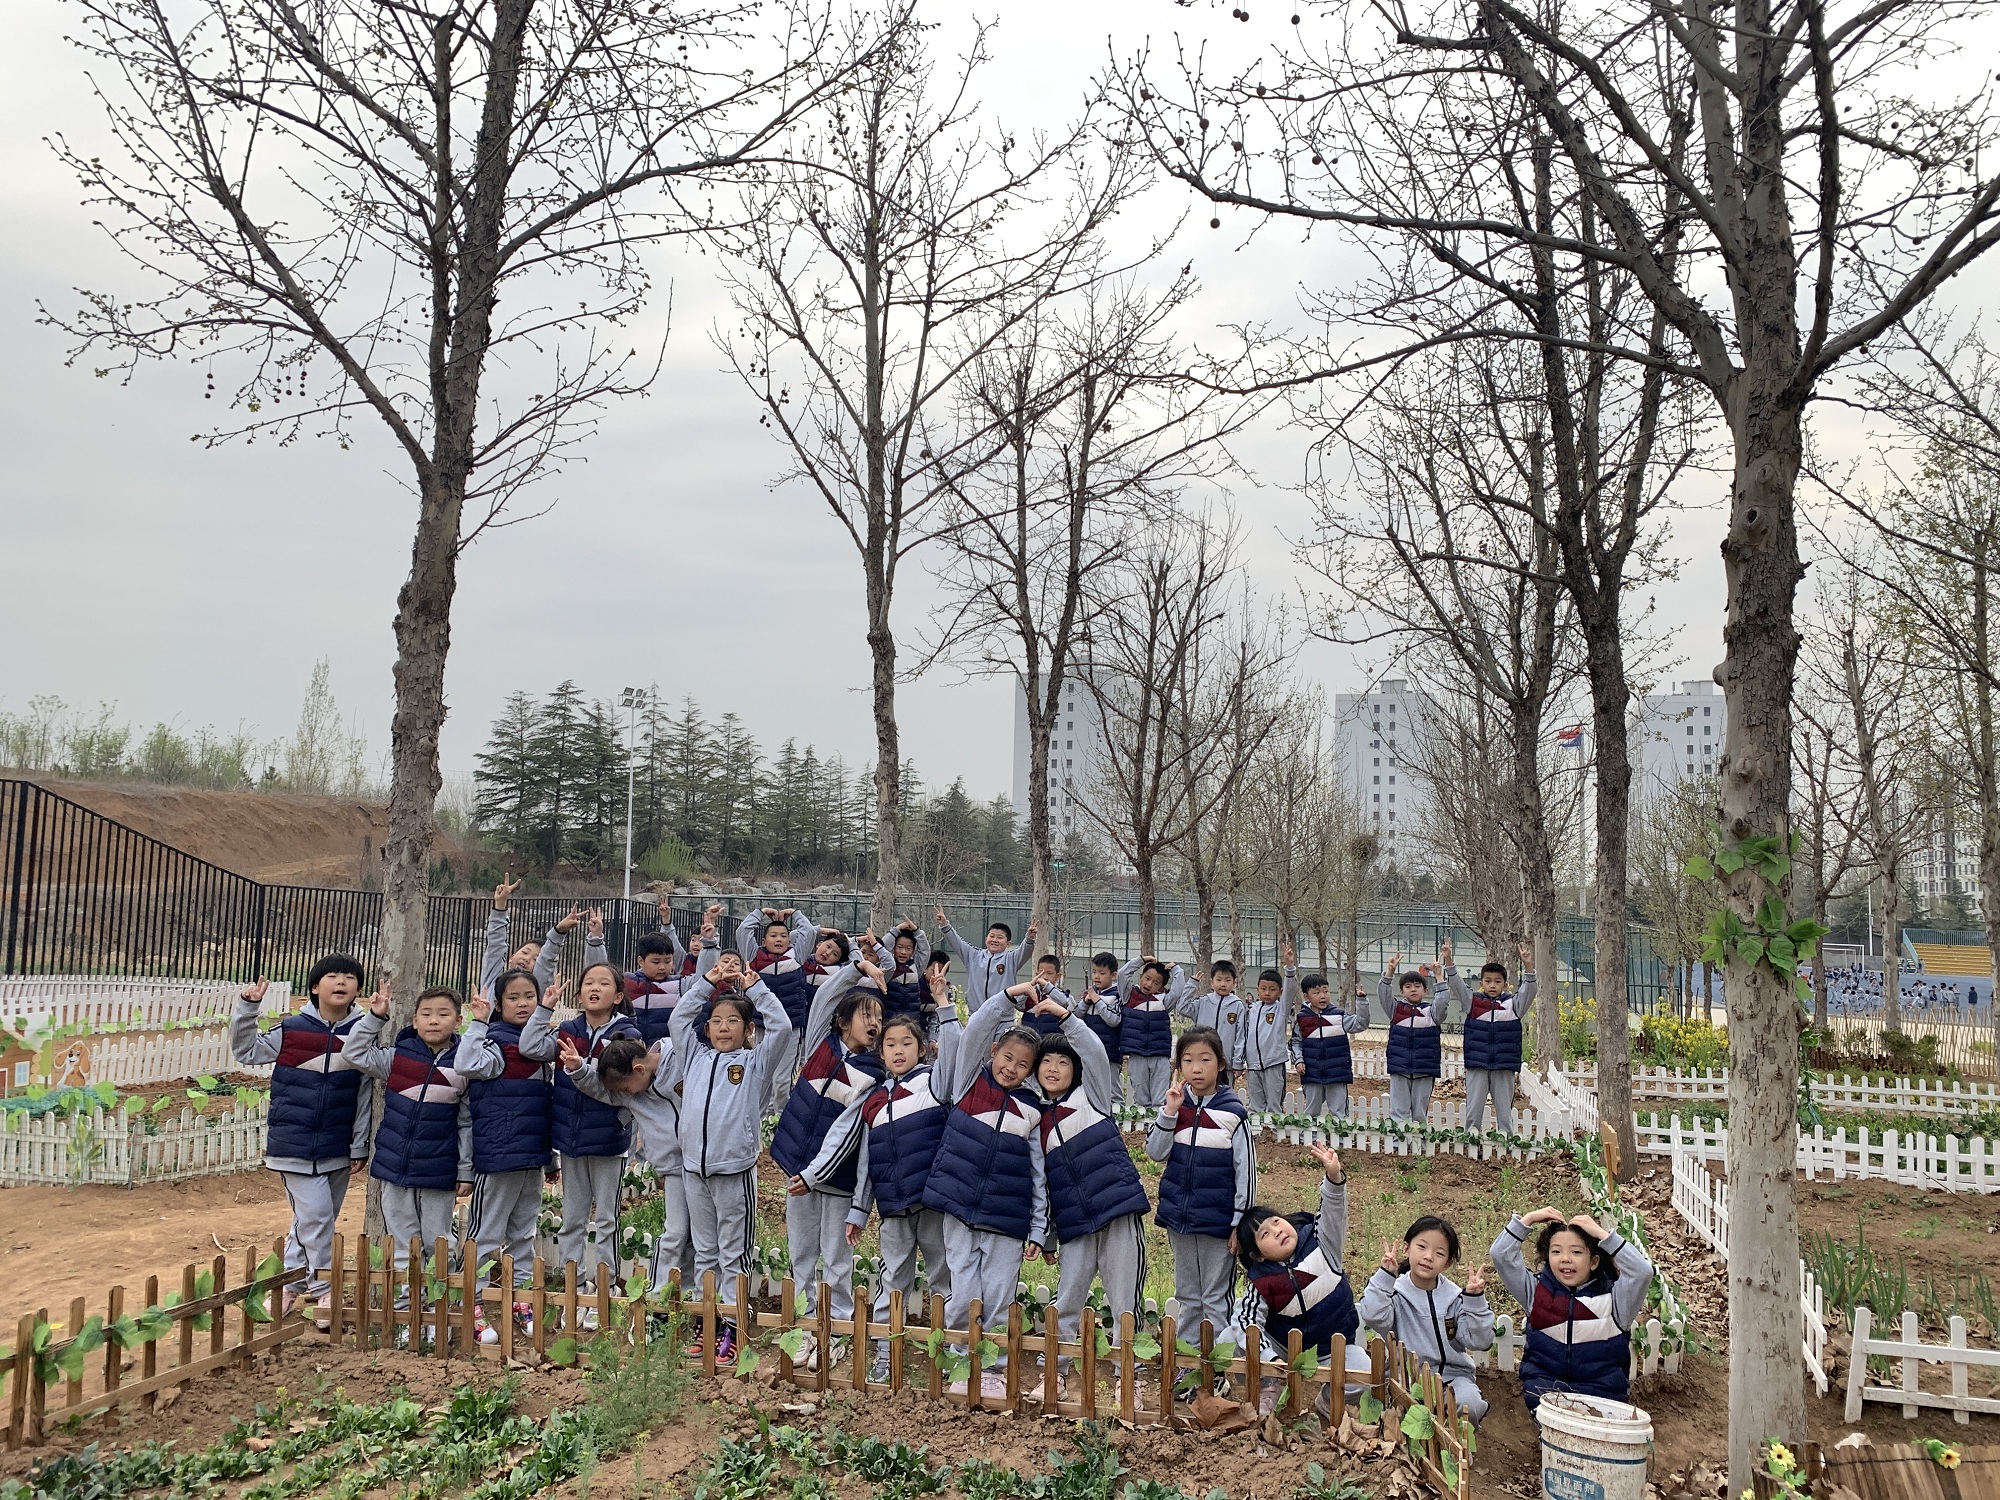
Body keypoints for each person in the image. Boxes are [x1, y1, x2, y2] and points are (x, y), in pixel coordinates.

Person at [804, 1009, 953, 1383]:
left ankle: (951, 1351)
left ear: (922, 1049)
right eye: (890, 1045)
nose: (898, 1051)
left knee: (943, 1275)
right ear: (881, 1053)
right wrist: (859, 1209)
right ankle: (887, 1354)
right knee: (893, 1280)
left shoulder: (934, 1084)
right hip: (892, 1207)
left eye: (907, 1043)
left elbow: (956, 1055)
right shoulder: (875, 1099)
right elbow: (867, 1161)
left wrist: (944, 1006)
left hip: (933, 1204)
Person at [1022, 983, 1151, 1397]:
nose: (1054, 1069)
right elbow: (1041, 1185)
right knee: (1067, 1298)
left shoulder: (1091, 1098)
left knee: (1124, 1300)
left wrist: (1066, 1017)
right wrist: (1047, 1235)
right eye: (1046, 1062)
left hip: (1116, 1211)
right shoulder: (1036, 1120)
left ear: (1075, 1070)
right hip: (1075, 1224)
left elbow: (1094, 1051)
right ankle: (1055, 1374)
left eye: (1063, 1062)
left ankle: (1127, 1378)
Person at [921, 990, 1050, 1398]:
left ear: (1031, 1072)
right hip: (959, 1210)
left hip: (1006, 1219)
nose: (1011, 1068)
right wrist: (1007, 998)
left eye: (1022, 1065)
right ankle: (961, 1360)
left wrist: (1039, 1226)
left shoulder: (1032, 1109)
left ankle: (993, 1369)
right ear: (993, 1052)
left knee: (997, 1296)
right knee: (963, 1292)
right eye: (1007, 1058)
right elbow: (974, 1029)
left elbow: (1039, 1173)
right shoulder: (968, 1084)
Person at [229, 956, 371, 1323]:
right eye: (332, 976)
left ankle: (289, 1287)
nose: (341, 982)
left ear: (358, 988)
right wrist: (248, 1008)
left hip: (339, 1146)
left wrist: (358, 1144)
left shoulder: (363, 1033)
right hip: (293, 1144)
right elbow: (247, 1051)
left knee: (310, 1224)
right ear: (314, 987)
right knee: (317, 1217)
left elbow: (365, 1095)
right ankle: (324, 1291)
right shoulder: (292, 1030)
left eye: (350, 977)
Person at [670, 957, 793, 1362]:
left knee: (733, 1251)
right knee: (705, 1250)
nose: (724, 1028)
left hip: (734, 1171)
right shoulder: (695, 1056)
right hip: (695, 1170)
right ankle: (707, 1321)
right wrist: (706, 983)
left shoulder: (753, 1064)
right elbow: (678, 1020)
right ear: (706, 1030)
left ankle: (732, 1327)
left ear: (748, 1029)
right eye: (717, 1022)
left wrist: (756, 988)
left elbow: (783, 1027)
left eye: (733, 1021)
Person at [775, 960, 882, 1370]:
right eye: (866, 1015)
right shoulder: (821, 1044)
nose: (874, 1024)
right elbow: (824, 995)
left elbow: (848, 1130)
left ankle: (834, 1333)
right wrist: (857, 967)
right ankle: (803, 1330)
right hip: (797, 1169)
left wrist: (814, 1173)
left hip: (835, 1179)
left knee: (836, 1261)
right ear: (842, 1021)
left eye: (879, 1019)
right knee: (800, 1254)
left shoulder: (873, 1074)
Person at [521, 960, 641, 1294]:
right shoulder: (567, 1030)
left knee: (606, 1218)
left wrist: (580, 1068)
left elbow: (620, 1087)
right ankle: (574, 1285)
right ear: (578, 994)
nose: (594, 988)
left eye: (603, 983)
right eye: (588, 983)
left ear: (618, 996)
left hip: (608, 1140)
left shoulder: (627, 1036)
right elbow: (530, 1046)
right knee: (572, 1218)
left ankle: (605, 1285)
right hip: (571, 1139)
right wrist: (545, 1007)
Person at [560, 1032, 695, 1326]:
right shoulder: (631, 1093)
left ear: (639, 1069)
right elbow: (601, 1090)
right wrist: (579, 1069)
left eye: (625, 1087)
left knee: (703, 1238)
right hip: (675, 1168)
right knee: (675, 1233)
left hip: (705, 1164)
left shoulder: (682, 1059)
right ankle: (658, 1305)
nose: (626, 1093)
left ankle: (697, 1299)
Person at [342, 982, 473, 1277]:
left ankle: (440, 1303)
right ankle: (406, 1302)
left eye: (443, 1014)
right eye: (426, 1014)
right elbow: (353, 1053)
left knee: (439, 1243)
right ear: (415, 1021)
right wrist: (375, 1017)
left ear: (458, 1021)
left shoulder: (464, 1065)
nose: (434, 1020)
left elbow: (466, 1123)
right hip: (394, 1167)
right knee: (402, 1245)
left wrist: (465, 1170)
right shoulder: (397, 1058)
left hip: (440, 1169)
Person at [455, 966, 555, 1331]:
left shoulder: (542, 1047)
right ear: (498, 1004)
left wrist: (551, 1158)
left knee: (524, 1233)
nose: (523, 1004)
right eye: (513, 998)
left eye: (530, 997)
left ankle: (521, 1298)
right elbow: (466, 1064)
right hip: (498, 1156)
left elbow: (547, 1106)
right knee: (485, 1232)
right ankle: (471, 1299)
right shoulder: (494, 1043)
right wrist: (479, 1023)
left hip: (533, 1154)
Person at [1147, 1026, 1255, 1358]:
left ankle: (1219, 1364)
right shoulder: (1175, 1107)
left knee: (1215, 1296)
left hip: (1219, 1221)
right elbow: (1155, 1152)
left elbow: (1246, 1172)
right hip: (1180, 1218)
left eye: (1205, 1060)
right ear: (1178, 1065)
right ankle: (1189, 1359)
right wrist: (1169, 1112)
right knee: (1188, 1294)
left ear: (1220, 1064)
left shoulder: (1233, 1113)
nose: (1196, 1068)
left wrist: (1239, 1222)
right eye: (1188, 1060)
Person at [1490, 1207, 1656, 1410]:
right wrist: (1528, 1219)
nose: (1565, 1258)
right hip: (1546, 1397)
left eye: (1576, 1252)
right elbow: (1500, 1255)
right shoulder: (1535, 1292)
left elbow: (1642, 1272)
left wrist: (1603, 1235)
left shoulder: (1614, 1300)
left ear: (1594, 1261)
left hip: (1602, 1401)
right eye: (1556, 1251)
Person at [1232, 1144, 1357, 1412]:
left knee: (1364, 1376)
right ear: (1257, 1256)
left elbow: (1333, 1213)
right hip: (1284, 1348)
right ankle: (1270, 1387)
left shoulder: (1321, 1242)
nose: (1276, 1231)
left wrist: (1334, 1177)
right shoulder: (1261, 1281)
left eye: (1276, 1222)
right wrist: (1269, 1359)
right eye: (1265, 1234)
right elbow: (1245, 1320)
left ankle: (1327, 1400)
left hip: (1333, 1346)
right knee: (1230, 1342)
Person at [1358, 1215, 1494, 1423]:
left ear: (1447, 1263)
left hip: (1453, 1377)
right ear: (1406, 1249)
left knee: (1470, 1406)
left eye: (1439, 1253)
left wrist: (1475, 1301)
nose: (1428, 1257)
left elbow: (1480, 1341)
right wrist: (1385, 1276)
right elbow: (1374, 1317)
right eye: (1421, 1247)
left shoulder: (1455, 1298)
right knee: (1404, 1417)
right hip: (1406, 1379)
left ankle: (1457, 1437)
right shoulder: (1395, 1293)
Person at [1446, 939, 1535, 1134]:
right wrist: (1449, 961)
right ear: (1481, 983)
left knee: (1505, 1111)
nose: (1492, 985)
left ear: (1505, 984)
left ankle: (1506, 1140)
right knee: (1473, 1108)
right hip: (1477, 1063)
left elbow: (1529, 991)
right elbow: (1457, 986)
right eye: (1488, 981)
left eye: (1497, 981)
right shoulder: (1473, 1002)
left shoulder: (1513, 1004)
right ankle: (1471, 1138)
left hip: (1504, 1064)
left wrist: (1528, 966)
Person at [480, 875, 593, 994]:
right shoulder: (491, 984)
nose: (527, 959)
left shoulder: (536, 992)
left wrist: (559, 932)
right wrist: (500, 905)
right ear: (511, 957)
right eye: (524, 952)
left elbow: (547, 960)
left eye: (536, 959)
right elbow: (495, 947)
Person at [1293, 971, 1368, 1119]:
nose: (1323, 996)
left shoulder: (1338, 1016)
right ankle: (1309, 1133)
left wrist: (1362, 1001)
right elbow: (1296, 1042)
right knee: (1311, 1113)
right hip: (1311, 1073)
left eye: (1326, 991)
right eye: (1317, 993)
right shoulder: (1302, 1019)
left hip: (1337, 1073)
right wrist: (1298, 1060)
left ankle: (1340, 1133)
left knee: (1339, 1113)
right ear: (1306, 997)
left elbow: (1361, 1024)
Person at [1381, 954, 1443, 1122]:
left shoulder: (1432, 1013)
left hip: (1425, 1069)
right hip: (1399, 1068)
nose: (1413, 989)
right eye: (1408, 986)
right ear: (1402, 992)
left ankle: (1418, 1138)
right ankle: (1398, 1138)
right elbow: (1384, 995)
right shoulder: (1396, 1010)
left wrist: (1439, 976)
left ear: (1426, 990)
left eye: (1417, 986)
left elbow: (1443, 1002)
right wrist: (1389, 972)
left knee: (1419, 1114)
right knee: (1398, 1112)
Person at [1119, 958, 1188, 1109]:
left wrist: (1176, 969)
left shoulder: (1163, 1001)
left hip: (1159, 1054)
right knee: (1140, 1096)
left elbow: (1178, 990)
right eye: (1147, 978)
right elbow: (1122, 974)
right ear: (1140, 976)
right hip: (1136, 1054)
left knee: (1160, 1097)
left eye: (1156, 983)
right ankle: (1142, 1119)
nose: (1149, 984)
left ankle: (1159, 1118)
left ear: (1161, 987)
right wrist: (1141, 960)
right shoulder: (1129, 995)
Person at [935, 905, 1037, 1005]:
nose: (994, 940)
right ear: (986, 939)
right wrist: (945, 925)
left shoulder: (1011, 959)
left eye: (1000, 937)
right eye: (991, 936)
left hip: (1002, 1014)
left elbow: (1025, 951)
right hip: (976, 1013)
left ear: (1008, 944)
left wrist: (1030, 938)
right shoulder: (973, 956)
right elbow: (957, 943)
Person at [1238, 948, 1298, 1113]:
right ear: (1257, 989)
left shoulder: (1281, 1009)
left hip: (1273, 1063)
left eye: (1272, 989)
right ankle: (1256, 1128)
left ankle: (1273, 1128)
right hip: (1253, 1065)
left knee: (1274, 1105)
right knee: (1255, 1105)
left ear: (1280, 992)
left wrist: (1289, 967)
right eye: (1263, 988)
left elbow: (1291, 990)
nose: (1267, 993)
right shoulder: (1251, 1009)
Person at [1178, 960, 1245, 1081]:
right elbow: (1182, 1007)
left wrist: (1237, 1062)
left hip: (1225, 1064)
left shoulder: (1238, 1005)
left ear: (1234, 982)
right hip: (1202, 1060)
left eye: (1228, 980)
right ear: (1211, 982)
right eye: (1219, 980)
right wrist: (1192, 984)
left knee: (1224, 1091)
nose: (1223, 984)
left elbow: (1240, 1036)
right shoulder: (1203, 1001)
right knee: (1201, 1089)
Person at [1013, 953, 1077, 1040]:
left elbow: (1065, 1002)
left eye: (1049, 973)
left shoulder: (1062, 996)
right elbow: (1017, 1004)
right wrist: (1030, 986)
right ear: (1036, 974)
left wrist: (1047, 987)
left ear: (1057, 976)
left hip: (1052, 1041)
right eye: (1041, 973)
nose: (1045, 977)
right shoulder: (1030, 993)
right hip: (1030, 1040)